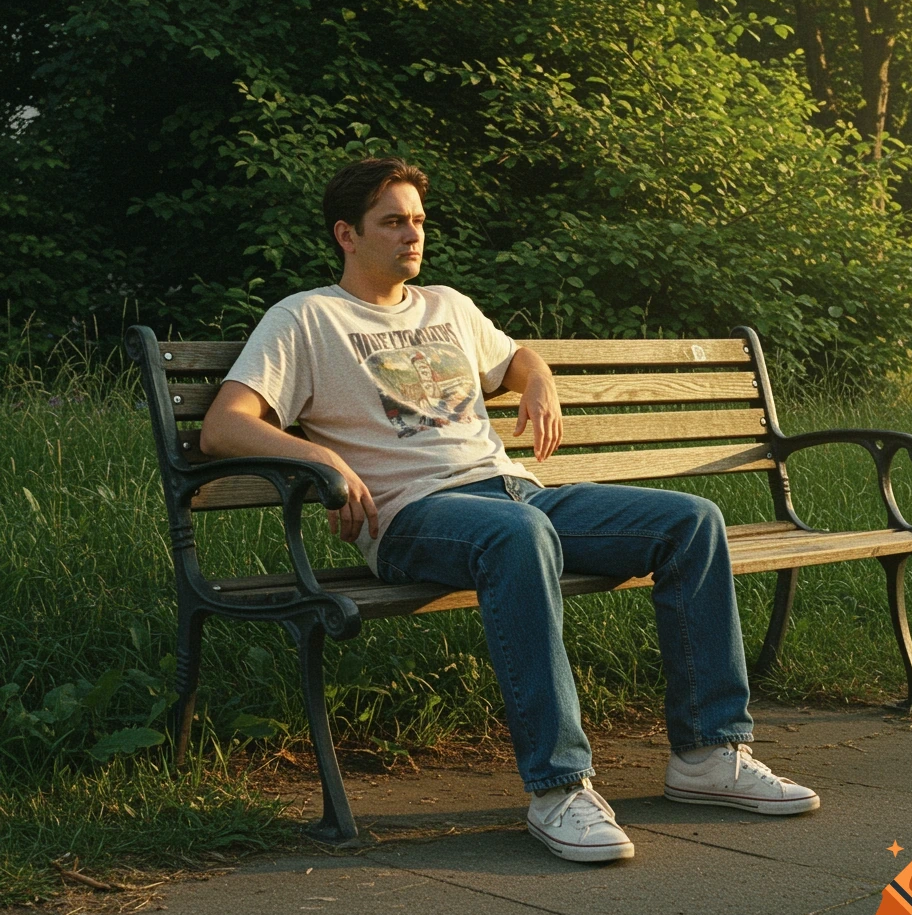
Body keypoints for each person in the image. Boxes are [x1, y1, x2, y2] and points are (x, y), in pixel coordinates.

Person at [201, 157, 820, 864]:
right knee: (518, 536)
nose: (413, 235)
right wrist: (325, 459)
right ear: (347, 234)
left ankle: (709, 755)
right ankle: (559, 788)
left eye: (419, 221)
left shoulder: (448, 306)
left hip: (517, 493)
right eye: (393, 222)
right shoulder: (307, 318)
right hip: (414, 517)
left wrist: (539, 380)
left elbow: (516, 356)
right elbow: (225, 424)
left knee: (691, 521)